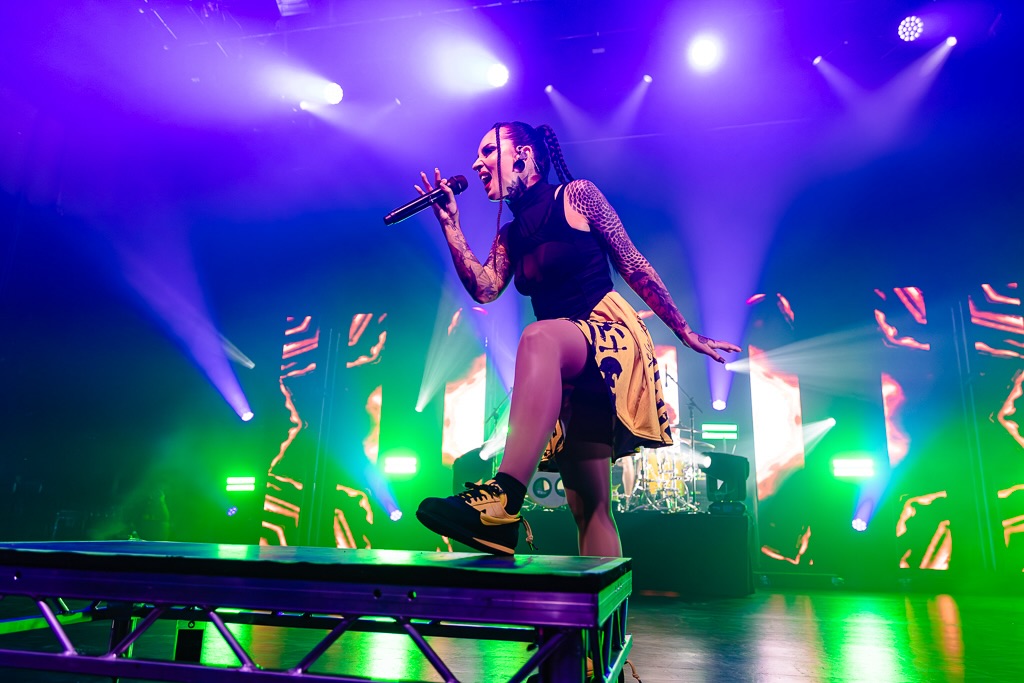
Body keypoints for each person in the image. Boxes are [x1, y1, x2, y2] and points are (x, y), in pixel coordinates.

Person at [415, 122, 741, 557]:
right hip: (563, 363)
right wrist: (451, 226)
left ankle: (505, 496)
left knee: (537, 337)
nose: (477, 163)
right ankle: (604, 604)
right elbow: (486, 288)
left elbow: (631, 260)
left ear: (523, 155)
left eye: (488, 151)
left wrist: (684, 330)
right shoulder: (510, 234)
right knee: (590, 507)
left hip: (608, 335)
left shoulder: (577, 195)